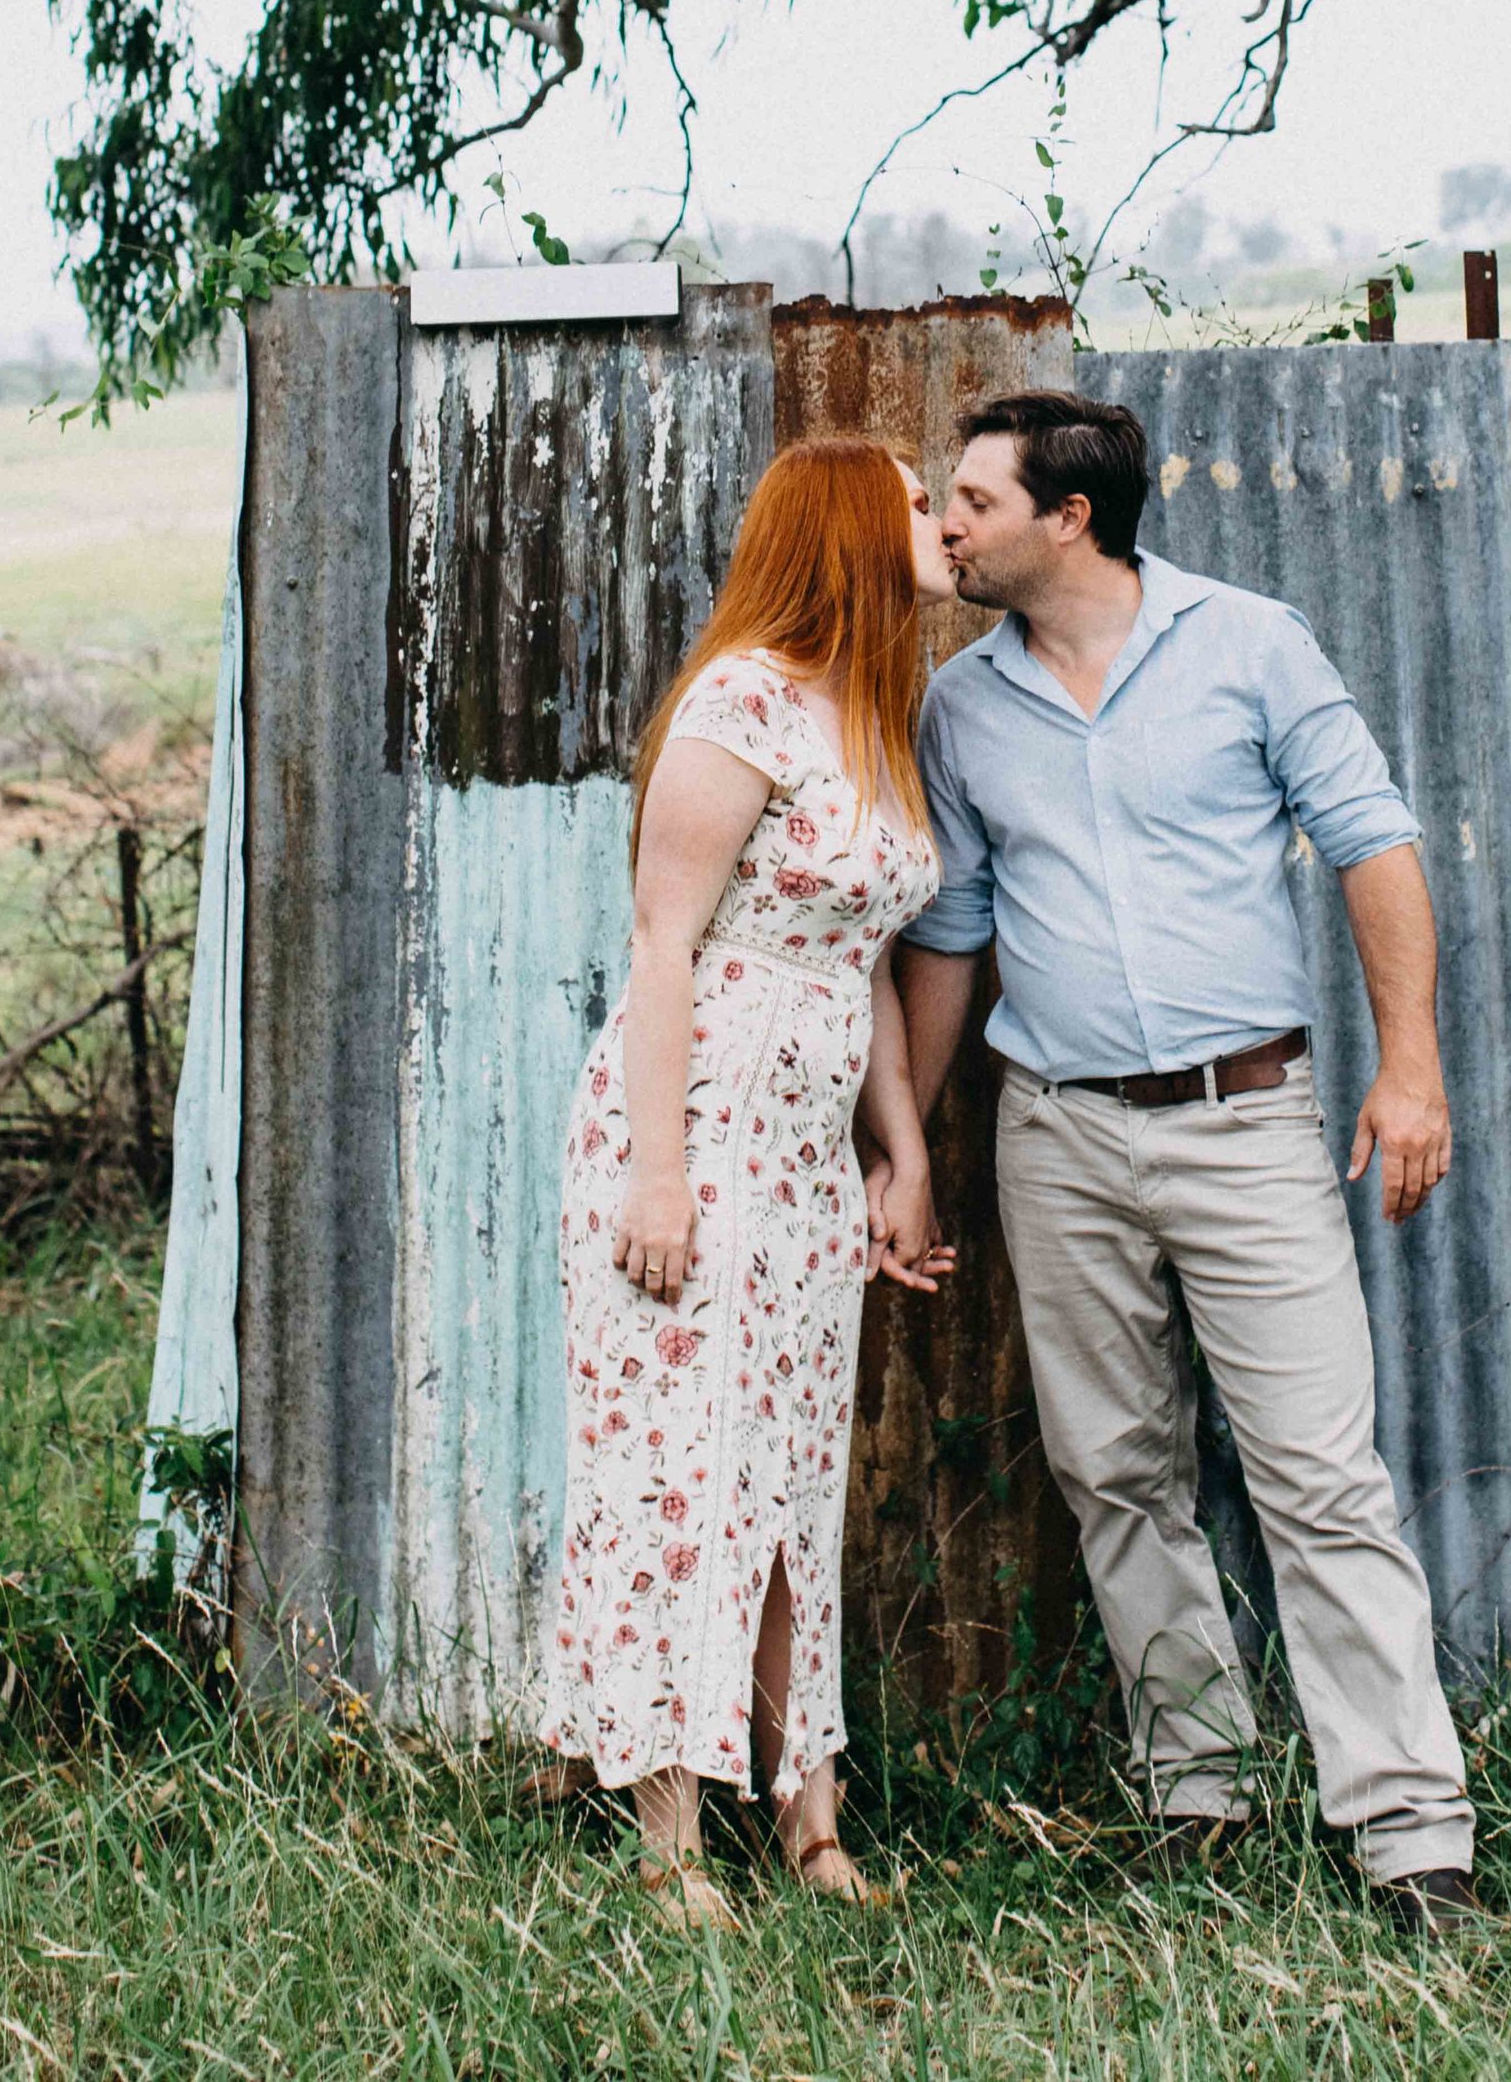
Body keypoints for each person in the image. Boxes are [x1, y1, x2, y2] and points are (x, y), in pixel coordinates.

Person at [891, 390, 1482, 1936]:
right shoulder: (963, 708)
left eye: (969, 499)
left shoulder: (1250, 643)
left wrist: (1410, 1065)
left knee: (1318, 1472)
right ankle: (1196, 1796)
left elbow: (1373, 840)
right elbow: (952, 939)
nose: (944, 524)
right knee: (1116, 1475)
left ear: (1066, 516)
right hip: (1060, 1133)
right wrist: (904, 1150)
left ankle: (1414, 1836)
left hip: (1246, 1123)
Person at [545, 437, 957, 1925]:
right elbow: (665, 945)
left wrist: (895, 1154)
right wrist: (662, 1177)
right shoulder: (742, 700)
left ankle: (812, 1826)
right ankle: (672, 1847)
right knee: (688, 1472)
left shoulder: (875, 715)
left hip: (801, 1162)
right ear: (851, 522)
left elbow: (864, 969)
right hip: (693, 1139)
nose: (941, 519)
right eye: (918, 500)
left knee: (792, 1485)